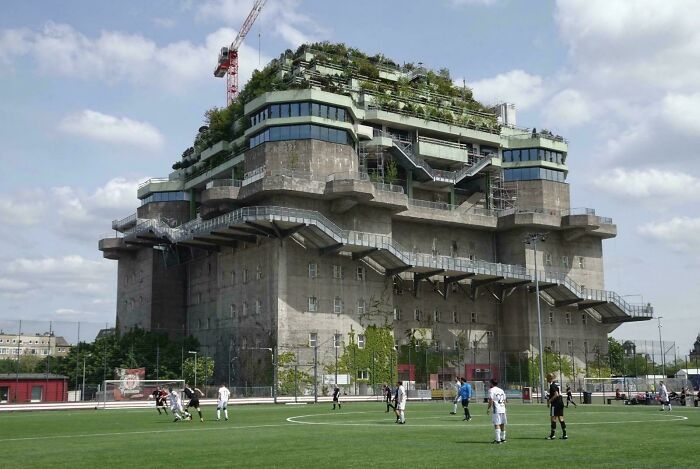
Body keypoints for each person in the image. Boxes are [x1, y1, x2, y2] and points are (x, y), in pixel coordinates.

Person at [546, 373, 567, 440]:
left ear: (550, 378)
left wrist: (550, 401)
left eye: (547, 378)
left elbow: (556, 394)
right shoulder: (557, 384)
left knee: (553, 418)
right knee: (561, 418)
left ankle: (552, 435)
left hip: (555, 404)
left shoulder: (552, 385)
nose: (546, 379)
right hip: (561, 402)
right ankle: (565, 434)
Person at [487, 379, 507, 444]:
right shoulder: (501, 390)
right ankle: (503, 439)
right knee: (502, 423)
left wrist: (488, 408)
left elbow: (491, 400)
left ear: (491, 383)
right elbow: (504, 400)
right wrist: (505, 407)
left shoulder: (491, 390)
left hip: (497, 409)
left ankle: (498, 440)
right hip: (502, 408)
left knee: (496, 424)